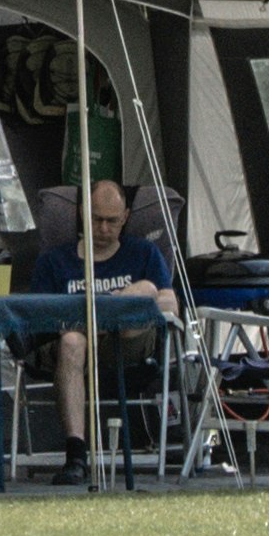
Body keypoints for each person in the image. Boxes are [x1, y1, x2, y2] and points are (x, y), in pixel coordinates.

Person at [26, 179, 172, 484]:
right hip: (71, 350)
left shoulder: (143, 253)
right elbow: (38, 316)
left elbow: (171, 305)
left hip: (128, 344)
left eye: (112, 221)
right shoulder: (54, 262)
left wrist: (111, 309)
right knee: (72, 340)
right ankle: (76, 455)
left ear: (126, 217)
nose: (104, 229)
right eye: (96, 219)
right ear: (82, 213)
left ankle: (99, 321)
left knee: (147, 288)